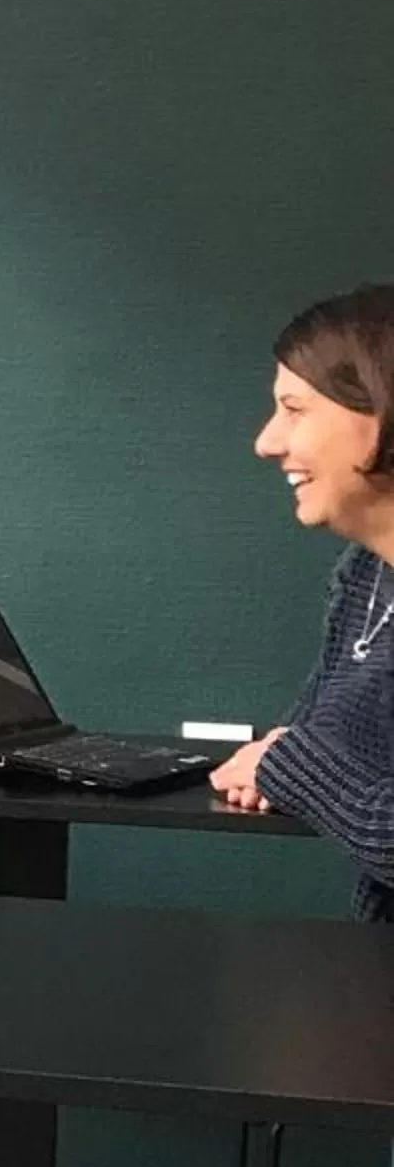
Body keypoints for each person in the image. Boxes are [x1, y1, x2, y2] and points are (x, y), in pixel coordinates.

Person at [212, 287, 394, 926]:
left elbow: (299, 757)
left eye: (294, 409)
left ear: (381, 413)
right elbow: (310, 740)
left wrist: (290, 763)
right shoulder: (367, 572)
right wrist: (292, 759)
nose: (267, 442)